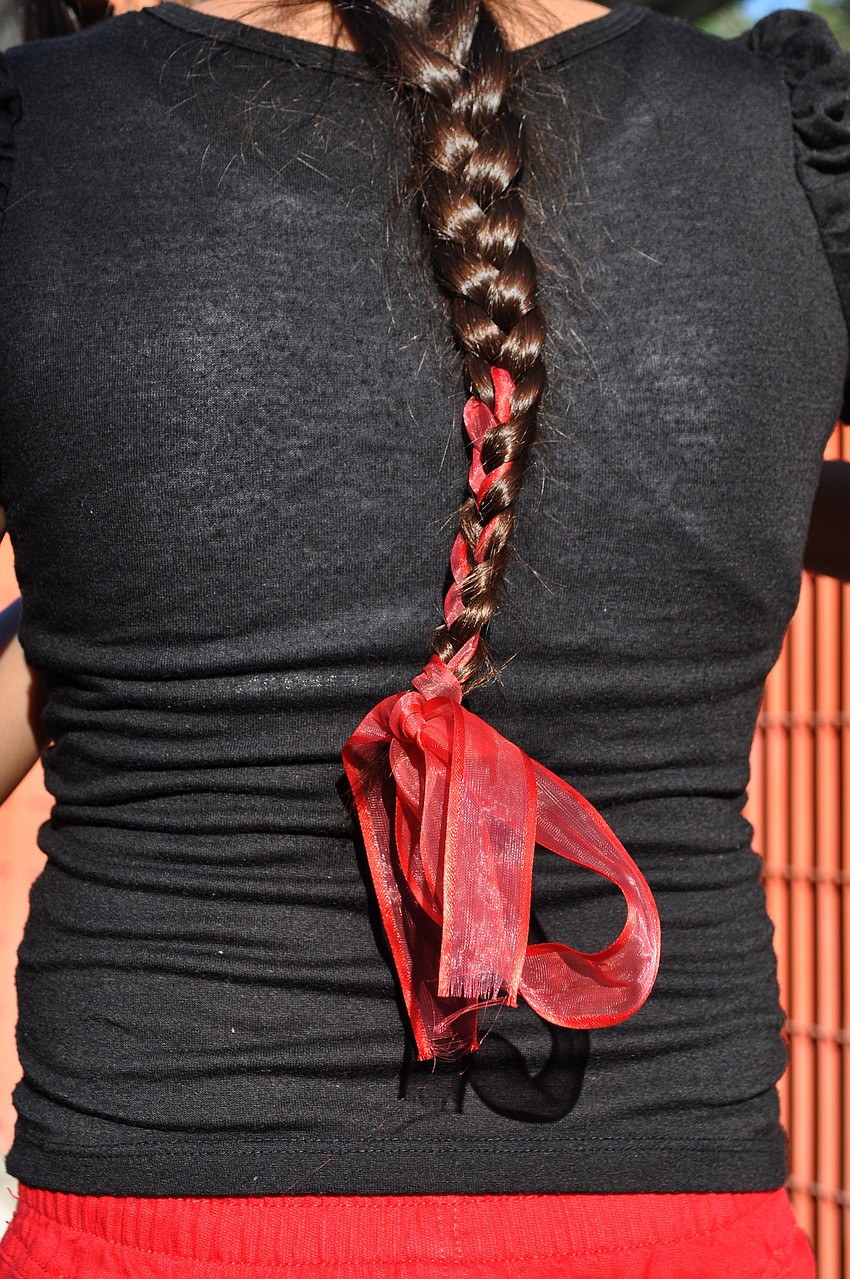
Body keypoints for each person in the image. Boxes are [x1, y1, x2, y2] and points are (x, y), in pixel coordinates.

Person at [0, 0, 848, 1272]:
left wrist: (82, 628)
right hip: (678, 1209)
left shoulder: (45, 146)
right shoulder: (771, 137)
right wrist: (751, 496)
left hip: (157, 1212)